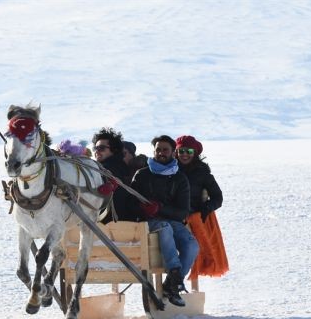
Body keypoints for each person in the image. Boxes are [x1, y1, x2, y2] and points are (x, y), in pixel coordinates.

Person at [130, 135, 198, 306]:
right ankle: (175, 275)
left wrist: (160, 208)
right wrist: (143, 210)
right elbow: (129, 204)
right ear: (153, 151)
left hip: (173, 221)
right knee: (164, 227)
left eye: (165, 150)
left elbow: (183, 212)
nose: (161, 153)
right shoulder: (142, 175)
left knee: (192, 246)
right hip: (148, 222)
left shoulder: (180, 178)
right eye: (158, 149)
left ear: (172, 152)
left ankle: (171, 284)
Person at [176, 135, 229, 280]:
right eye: (181, 151)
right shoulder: (171, 170)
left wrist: (204, 210)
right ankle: (174, 283)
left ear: (195, 153)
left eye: (189, 151)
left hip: (197, 218)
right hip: (175, 217)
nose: (185, 154)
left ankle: (181, 283)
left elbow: (218, 198)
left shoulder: (203, 173)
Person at [91, 127, 136, 223]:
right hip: (112, 221)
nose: (97, 151)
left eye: (101, 148)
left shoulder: (113, 170)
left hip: (112, 222)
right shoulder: (100, 168)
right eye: (95, 148)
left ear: (114, 150)